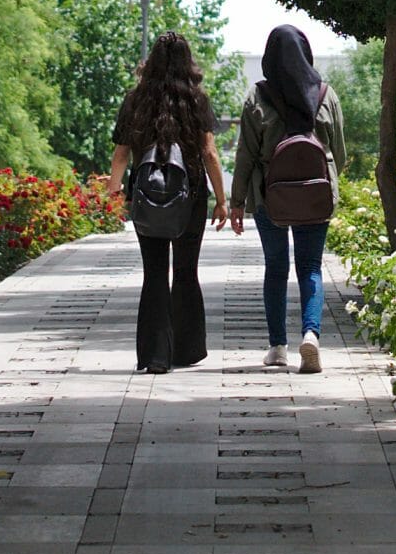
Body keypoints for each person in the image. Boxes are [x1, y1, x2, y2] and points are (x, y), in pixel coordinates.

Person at [227, 23, 344, 373]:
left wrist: (236, 203)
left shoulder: (256, 97)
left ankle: (277, 346)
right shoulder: (326, 94)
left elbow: (245, 155)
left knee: (276, 268)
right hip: (315, 194)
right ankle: (311, 335)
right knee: (310, 267)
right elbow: (340, 150)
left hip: (269, 196)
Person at [107, 32, 225, 374]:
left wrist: (114, 192)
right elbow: (209, 153)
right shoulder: (196, 100)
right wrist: (221, 199)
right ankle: (186, 351)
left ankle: (156, 355)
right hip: (189, 195)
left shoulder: (136, 100)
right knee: (186, 271)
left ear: (151, 63)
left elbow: (121, 154)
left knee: (154, 272)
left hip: (147, 195)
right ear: (188, 61)